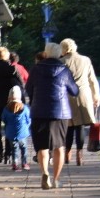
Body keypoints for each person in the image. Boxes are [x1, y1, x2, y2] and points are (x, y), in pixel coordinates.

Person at [25, 42, 78, 190]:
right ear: (60, 54)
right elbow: (74, 91)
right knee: (59, 146)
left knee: (42, 146)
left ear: (46, 53)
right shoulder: (64, 70)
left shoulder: (36, 69)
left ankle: (44, 173)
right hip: (60, 113)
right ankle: (56, 178)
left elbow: (28, 89)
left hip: (39, 111)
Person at [60, 38, 100, 166]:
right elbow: (92, 80)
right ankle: (79, 154)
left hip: (67, 96)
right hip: (83, 95)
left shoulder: (61, 62)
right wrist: (96, 96)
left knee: (69, 126)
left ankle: (67, 153)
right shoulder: (85, 60)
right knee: (80, 126)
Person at [0, 46, 25, 163]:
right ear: (7, 56)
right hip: (10, 103)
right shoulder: (12, 69)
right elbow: (21, 85)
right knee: (9, 127)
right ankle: (8, 153)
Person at [2, 85, 31, 171]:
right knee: (24, 148)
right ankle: (24, 163)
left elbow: (4, 119)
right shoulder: (25, 108)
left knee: (14, 149)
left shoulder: (6, 109)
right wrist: (26, 126)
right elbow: (28, 120)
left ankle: (15, 164)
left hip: (11, 133)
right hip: (23, 133)